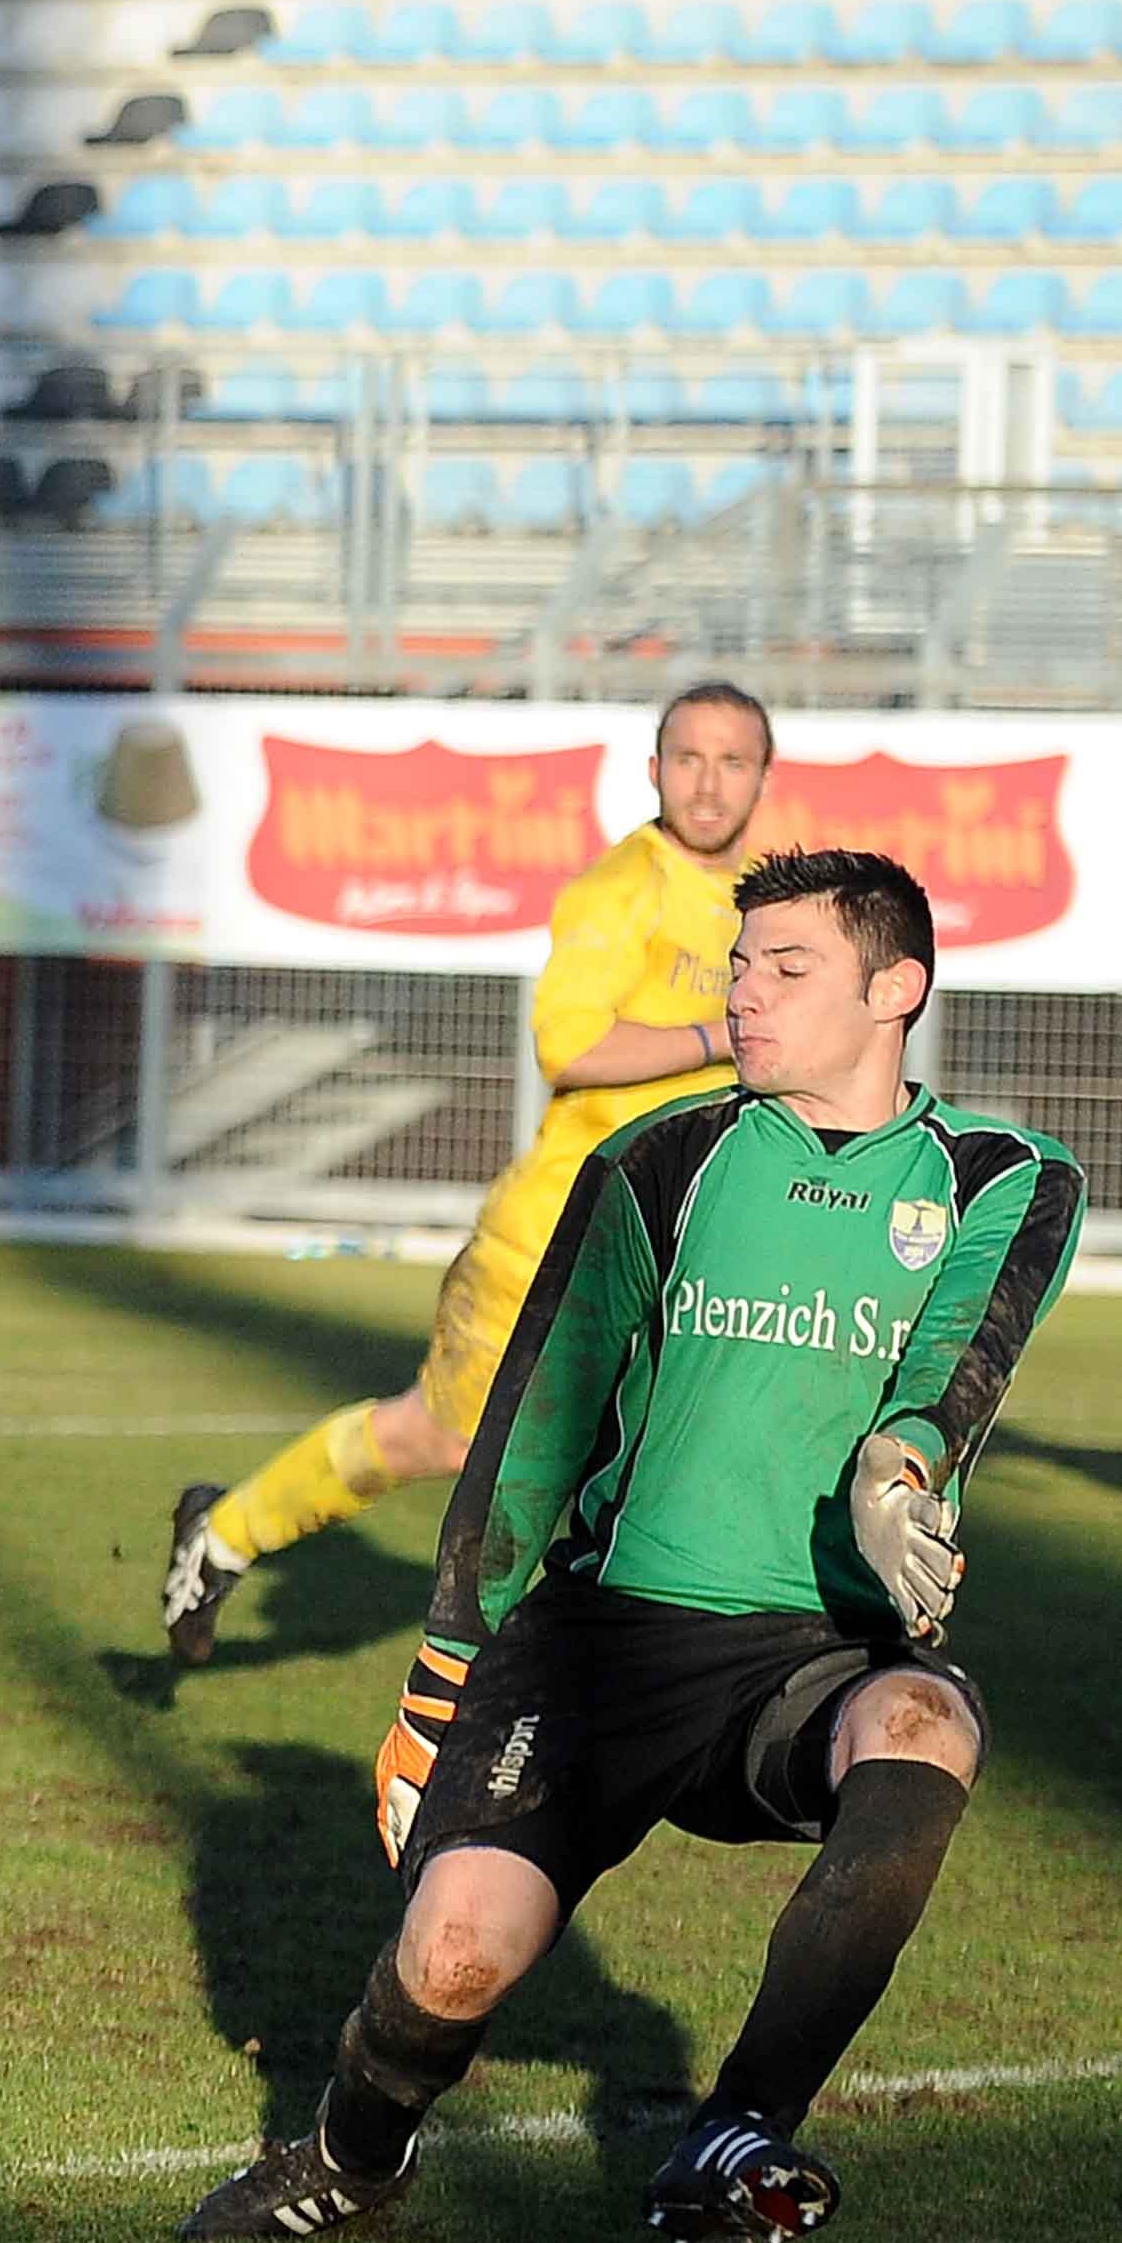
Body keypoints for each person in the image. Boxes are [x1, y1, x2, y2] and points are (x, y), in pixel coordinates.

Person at [181, 848, 1082, 2243]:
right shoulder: (657, 1159)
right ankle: (353, 2155)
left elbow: (963, 1353)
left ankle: (738, 2129)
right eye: (739, 965)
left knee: (924, 1723)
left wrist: (899, 1460)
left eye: (786, 967)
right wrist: (440, 1673)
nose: (743, 994)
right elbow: (534, 1424)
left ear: (894, 988)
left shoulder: (1000, 1179)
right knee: (453, 1953)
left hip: (813, 1656)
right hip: (601, 1642)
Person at [161, 682, 780, 1663]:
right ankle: (225, 1532)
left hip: (671, 1247)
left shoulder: (762, 903)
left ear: (763, 777)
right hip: (552, 1239)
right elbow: (568, 1045)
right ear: (653, 770)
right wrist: (721, 1035)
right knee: (439, 1440)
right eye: (688, 759)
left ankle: (622, 1684)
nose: (707, 783)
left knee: (660, 1466)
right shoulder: (623, 887)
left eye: (731, 761)